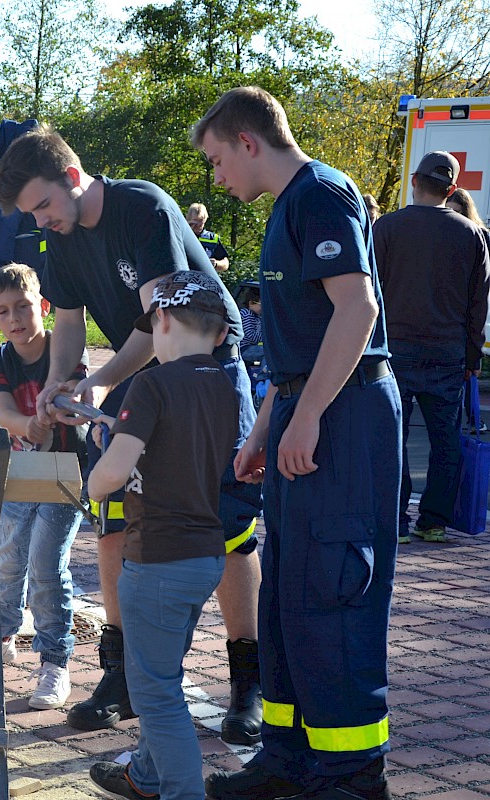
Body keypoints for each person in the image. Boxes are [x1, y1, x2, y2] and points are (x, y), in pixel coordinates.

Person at [0, 123, 264, 745]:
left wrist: (101, 382)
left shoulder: (143, 208)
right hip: (142, 380)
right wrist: (62, 382)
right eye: (30, 214)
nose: (41, 221)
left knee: (227, 526)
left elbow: (163, 326)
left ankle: (248, 684)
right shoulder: (56, 238)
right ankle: (117, 676)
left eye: (43, 206)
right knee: (112, 517)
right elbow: (67, 320)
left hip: (206, 375)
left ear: (71, 177)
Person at [193, 85, 399, 800]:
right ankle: (285, 760)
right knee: (288, 595)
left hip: (346, 419)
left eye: (219, 160)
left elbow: (358, 309)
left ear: (248, 142)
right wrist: (263, 431)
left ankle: (349, 777)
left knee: (335, 592)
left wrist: (307, 415)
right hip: (305, 412)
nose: (217, 177)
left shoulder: (322, 194)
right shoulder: (287, 206)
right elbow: (295, 347)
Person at [84, 271, 238, 800]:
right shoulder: (224, 383)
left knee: (155, 694)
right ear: (219, 333)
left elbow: (111, 476)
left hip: (155, 560)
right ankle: (148, 777)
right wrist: (123, 434)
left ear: (163, 319)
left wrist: (97, 474)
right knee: (163, 672)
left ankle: (179, 791)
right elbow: (176, 449)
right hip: (204, 556)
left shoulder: (151, 383)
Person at [0, 263, 88, 710]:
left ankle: (54, 661)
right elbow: (3, 411)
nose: (15, 319)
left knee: (46, 566)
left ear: (43, 305)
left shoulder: (64, 353)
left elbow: (80, 398)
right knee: (8, 558)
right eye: (3, 312)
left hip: (64, 474)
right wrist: (29, 424)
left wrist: (62, 408)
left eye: (23, 306)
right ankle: (5, 632)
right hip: (17, 474)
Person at [374, 151, 490, 544]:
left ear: (413, 180)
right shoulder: (473, 235)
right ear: (452, 189)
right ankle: (433, 520)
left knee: (393, 436)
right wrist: (473, 358)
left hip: (394, 351)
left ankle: (396, 520)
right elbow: (479, 304)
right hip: (448, 352)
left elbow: (368, 293)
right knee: (445, 441)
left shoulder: (386, 228)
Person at [186, 202, 231, 272]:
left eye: (201, 221)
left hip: (205, 278)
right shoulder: (181, 235)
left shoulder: (212, 238)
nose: (198, 225)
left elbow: (225, 263)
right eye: (195, 221)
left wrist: (216, 264)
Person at [236, 280, 264, 364]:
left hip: (252, 347)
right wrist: (267, 338)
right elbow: (251, 335)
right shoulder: (247, 314)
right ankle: (262, 375)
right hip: (244, 349)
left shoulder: (258, 316)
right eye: (261, 304)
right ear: (251, 303)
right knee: (269, 352)